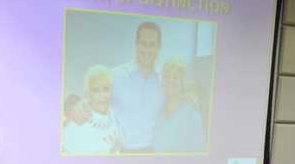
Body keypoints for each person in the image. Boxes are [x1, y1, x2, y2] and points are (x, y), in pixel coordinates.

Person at [112, 21, 164, 152]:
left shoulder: (164, 81)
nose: (147, 49)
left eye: (152, 45)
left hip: (153, 155)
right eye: (143, 44)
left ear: (159, 47)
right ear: (136, 44)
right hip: (121, 154)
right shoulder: (115, 75)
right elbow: (92, 101)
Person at [62, 65, 120, 155]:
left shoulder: (113, 114)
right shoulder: (77, 119)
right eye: (96, 90)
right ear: (87, 94)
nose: (102, 95)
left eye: (106, 89)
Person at [152, 59, 204, 153]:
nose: (170, 80)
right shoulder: (157, 107)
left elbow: (198, 149)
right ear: (162, 80)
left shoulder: (191, 112)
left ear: (182, 81)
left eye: (176, 77)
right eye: (167, 76)